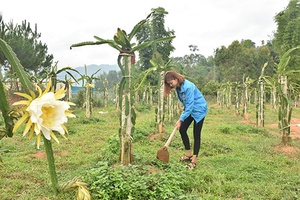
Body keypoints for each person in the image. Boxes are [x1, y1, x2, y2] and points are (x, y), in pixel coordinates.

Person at [164, 70, 208, 169]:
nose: (171, 86)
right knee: (182, 129)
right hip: (190, 109)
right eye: (169, 84)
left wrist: (180, 120)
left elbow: (191, 105)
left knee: (196, 134)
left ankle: (194, 160)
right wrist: (185, 107)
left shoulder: (188, 86)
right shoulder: (178, 88)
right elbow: (186, 102)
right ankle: (188, 155)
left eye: (171, 83)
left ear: (176, 79)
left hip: (199, 109)